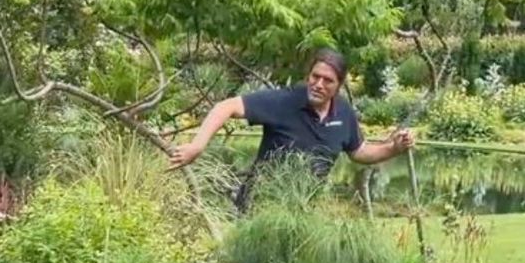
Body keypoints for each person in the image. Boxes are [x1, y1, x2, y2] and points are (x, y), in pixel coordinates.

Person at [168, 48, 415, 211]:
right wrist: (197, 146)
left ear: (339, 85)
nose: (318, 84)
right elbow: (226, 106)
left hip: (302, 208)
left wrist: (394, 147)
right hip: (260, 205)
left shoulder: (343, 112)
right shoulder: (284, 102)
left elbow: (359, 151)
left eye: (328, 80)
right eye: (315, 76)